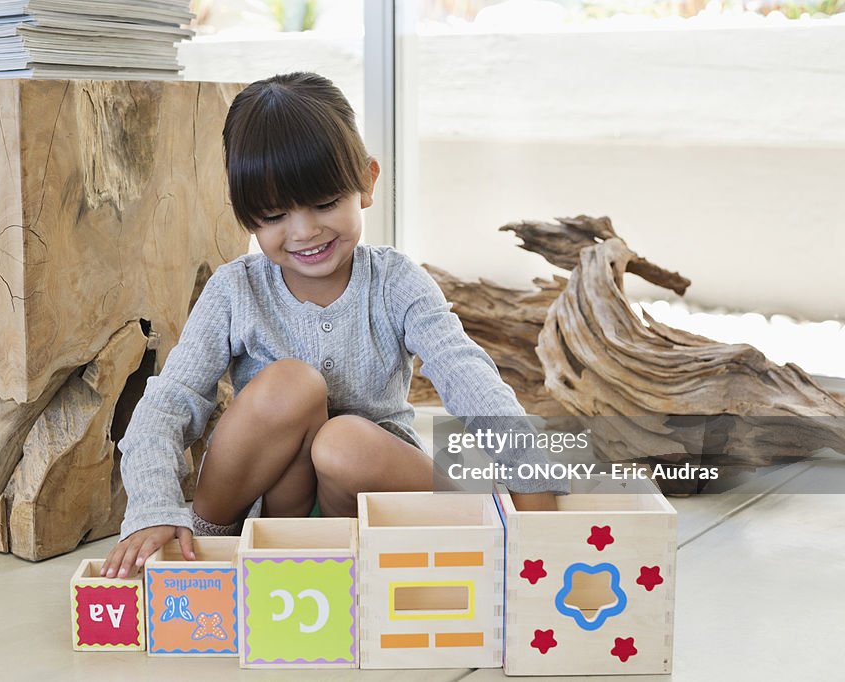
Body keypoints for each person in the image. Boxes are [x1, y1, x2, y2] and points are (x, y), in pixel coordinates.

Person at [101, 72, 560, 579]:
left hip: (373, 489)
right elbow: (169, 403)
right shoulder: (236, 290)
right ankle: (206, 552)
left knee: (341, 441)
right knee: (290, 384)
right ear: (245, 216)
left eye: (324, 204)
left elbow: (466, 373)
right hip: (275, 507)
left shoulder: (396, 281)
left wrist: (527, 464)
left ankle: (480, 522)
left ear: (366, 182)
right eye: (274, 215)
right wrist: (152, 508)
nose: (305, 231)